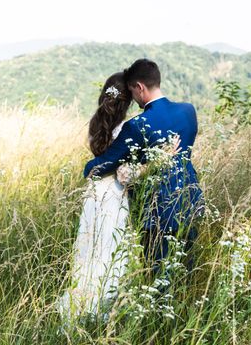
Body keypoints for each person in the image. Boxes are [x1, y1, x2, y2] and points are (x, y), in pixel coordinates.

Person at [83, 59, 204, 276]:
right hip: (190, 203)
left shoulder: (137, 125)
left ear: (139, 88)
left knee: (157, 280)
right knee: (186, 276)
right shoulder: (188, 111)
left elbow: (97, 168)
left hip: (158, 212)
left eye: (132, 92)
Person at [57, 72, 133, 321]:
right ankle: (100, 311)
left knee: (88, 249)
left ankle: (79, 306)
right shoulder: (127, 129)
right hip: (114, 194)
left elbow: (98, 159)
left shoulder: (95, 123)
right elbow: (119, 163)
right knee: (109, 250)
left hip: (93, 193)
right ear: (128, 100)